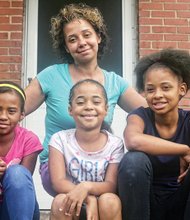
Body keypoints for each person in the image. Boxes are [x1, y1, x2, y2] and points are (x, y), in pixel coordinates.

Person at [24, 3, 146, 196]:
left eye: (87, 35)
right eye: (72, 39)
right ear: (66, 46)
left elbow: (151, 113)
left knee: (109, 202)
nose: (81, 42)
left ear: (98, 36)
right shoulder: (50, 76)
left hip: (99, 171)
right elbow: (13, 110)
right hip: (59, 170)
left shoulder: (116, 83)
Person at [118, 48, 190, 220]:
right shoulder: (140, 116)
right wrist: (184, 149)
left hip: (182, 203)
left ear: (181, 89)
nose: (157, 95)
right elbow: (133, 140)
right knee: (133, 160)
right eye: (150, 89)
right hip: (145, 203)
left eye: (165, 88)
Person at [49, 79, 123, 220]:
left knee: (110, 200)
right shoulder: (59, 139)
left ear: (106, 109)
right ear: (70, 110)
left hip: (103, 206)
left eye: (96, 102)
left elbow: (111, 185)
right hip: (72, 201)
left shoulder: (115, 144)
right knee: (60, 201)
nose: (88, 107)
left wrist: (86, 187)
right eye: (81, 102)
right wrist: (89, 199)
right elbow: (58, 182)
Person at [0, 81, 43, 220]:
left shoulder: (28, 140)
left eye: (11, 111)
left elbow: (22, 183)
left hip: (17, 210)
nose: (3, 116)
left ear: (22, 114)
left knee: (17, 172)